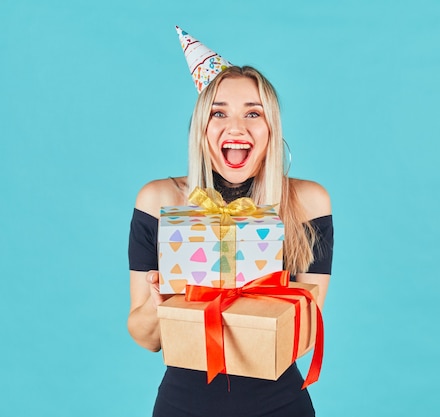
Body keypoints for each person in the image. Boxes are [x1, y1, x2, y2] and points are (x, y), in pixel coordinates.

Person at [127, 27, 333, 417]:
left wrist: (242, 282)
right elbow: (144, 337)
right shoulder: (160, 201)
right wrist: (164, 305)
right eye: (219, 112)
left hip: (280, 406)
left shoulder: (306, 203)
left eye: (252, 113)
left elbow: (303, 337)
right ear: (202, 129)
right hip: (182, 406)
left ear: (271, 129)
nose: (236, 128)